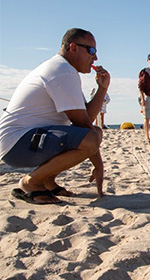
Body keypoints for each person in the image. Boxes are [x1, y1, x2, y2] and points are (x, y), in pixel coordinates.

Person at [0, 28, 110, 203]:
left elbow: (86, 118)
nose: (95, 58)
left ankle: (47, 180)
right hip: (16, 143)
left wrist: (102, 89)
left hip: (26, 139)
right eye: (91, 51)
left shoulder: (65, 69)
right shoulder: (62, 70)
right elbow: (83, 126)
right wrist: (99, 165)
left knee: (95, 132)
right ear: (73, 48)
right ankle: (31, 182)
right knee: (91, 138)